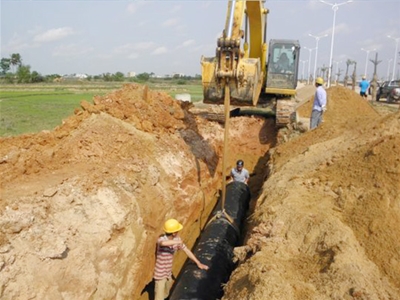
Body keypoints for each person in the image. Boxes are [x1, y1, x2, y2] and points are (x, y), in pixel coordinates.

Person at [153, 219, 208, 300]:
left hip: (168, 273)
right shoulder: (162, 239)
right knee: (159, 298)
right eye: (177, 231)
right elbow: (162, 243)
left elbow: (187, 251)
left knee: (166, 294)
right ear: (174, 233)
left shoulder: (177, 240)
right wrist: (177, 243)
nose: (178, 232)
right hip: (160, 275)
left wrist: (198, 263)